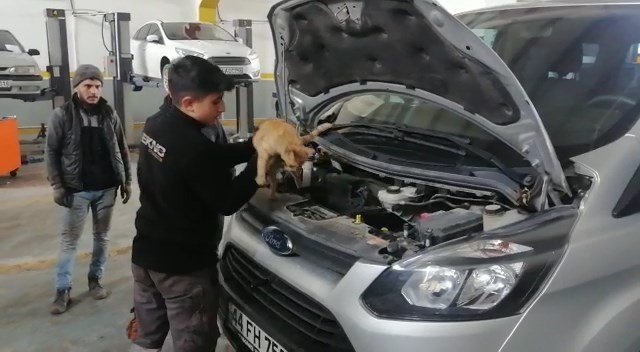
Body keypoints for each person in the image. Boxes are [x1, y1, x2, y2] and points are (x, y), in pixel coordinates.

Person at [131, 56, 259, 352]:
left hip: (146, 258)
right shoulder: (192, 147)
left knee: (146, 338)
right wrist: (260, 164)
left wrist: (255, 144)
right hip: (182, 268)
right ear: (189, 103)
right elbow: (227, 201)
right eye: (216, 102)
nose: (222, 108)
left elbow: (212, 157)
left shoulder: (157, 124)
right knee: (194, 341)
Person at [45, 64, 132, 315]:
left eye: (97, 86)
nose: (93, 91)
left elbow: (121, 147)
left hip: (106, 188)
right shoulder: (62, 115)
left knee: (101, 238)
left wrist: (125, 181)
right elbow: (51, 152)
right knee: (69, 242)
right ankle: (63, 291)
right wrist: (58, 186)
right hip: (76, 190)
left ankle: (95, 280)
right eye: (88, 86)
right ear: (78, 88)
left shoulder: (109, 113)